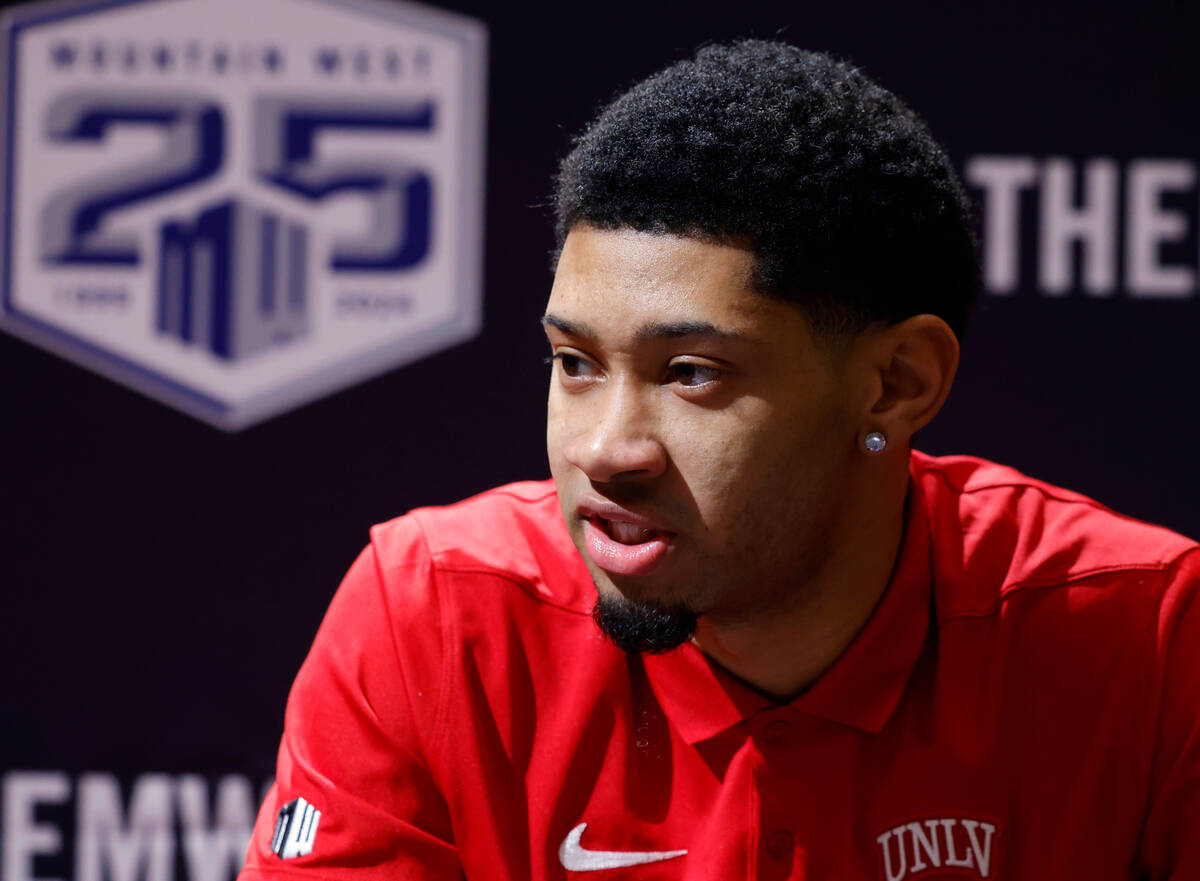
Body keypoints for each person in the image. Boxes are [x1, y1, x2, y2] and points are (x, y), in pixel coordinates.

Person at [238, 41, 1199, 880]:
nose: (605, 450)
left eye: (691, 373)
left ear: (897, 383)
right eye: (575, 363)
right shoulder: (434, 612)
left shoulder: (1152, 636)